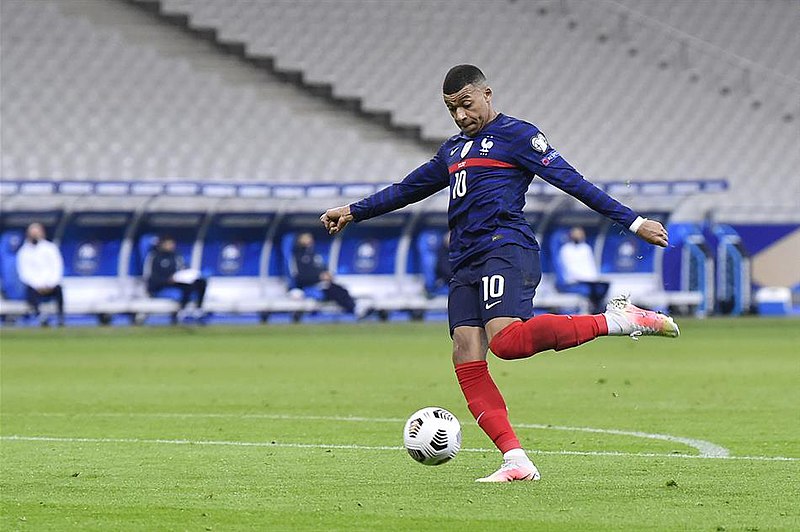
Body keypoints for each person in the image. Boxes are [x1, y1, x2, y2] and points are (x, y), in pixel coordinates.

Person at [321, 65, 678, 483]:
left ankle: (618, 320)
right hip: (464, 260)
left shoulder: (518, 136)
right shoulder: (453, 150)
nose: (460, 115)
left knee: (507, 342)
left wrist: (634, 222)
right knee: (465, 352)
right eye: (451, 109)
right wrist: (353, 211)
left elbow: (573, 182)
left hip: (505, 247)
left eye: (466, 104)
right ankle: (515, 460)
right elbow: (406, 189)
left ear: (487, 94)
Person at [291, 232, 359, 315]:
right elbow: (301, 276)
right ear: (300, 240)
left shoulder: (313, 254)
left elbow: (321, 268)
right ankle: (355, 309)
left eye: (310, 238)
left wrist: (327, 275)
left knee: (341, 290)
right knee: (335, 291)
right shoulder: (297, 256)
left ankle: (355, 308)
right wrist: (319, 277)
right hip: (309, 286)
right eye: (306, 238)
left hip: (322, 284)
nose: (310, 240)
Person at [143, 235, 207, 322]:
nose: (171, 246)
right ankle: (182, 311)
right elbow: (150, 276)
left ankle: (199, 310)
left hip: (176, 280)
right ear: (162, 244)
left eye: (172, 244)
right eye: (168, 244)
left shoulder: (176, 256)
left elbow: (182, 268)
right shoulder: (154, 257)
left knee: (201, 282)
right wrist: (167, 280)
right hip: (160, 284)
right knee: (187, 286)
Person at [16, 223, 65, 326]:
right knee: (29, 291)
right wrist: (37, 285)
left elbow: (57, 266)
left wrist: (50, 284)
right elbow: (24, 272)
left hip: (50, 285)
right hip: (35, 286)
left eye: (36, 233)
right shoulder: (23, 251)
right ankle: (40, 317)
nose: (34, 235)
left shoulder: (50, 248)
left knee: (59, 289)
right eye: (32, 233)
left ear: (42, 233)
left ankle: (61, 318)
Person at [557, 226, 610, 313]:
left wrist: (594, 278)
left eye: (580, 234)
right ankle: (594, 310)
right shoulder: (566, 249)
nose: (579, 236)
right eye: (576, 234)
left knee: (604, 286)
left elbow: (591, 266)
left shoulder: (586, 248)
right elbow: (568, 269)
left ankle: (598, 310)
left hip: (589, 280)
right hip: (574, 281)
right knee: (589, 290)